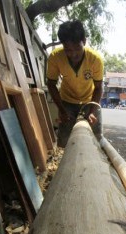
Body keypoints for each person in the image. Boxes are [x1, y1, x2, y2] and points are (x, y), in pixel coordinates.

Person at [46, 20, 104, 148]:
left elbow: (99, 88)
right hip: (67, 101)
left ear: (84, 41)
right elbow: (51, 84)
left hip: (90, 100)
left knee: (97, 137)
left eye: (77, 48)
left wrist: (93, 111)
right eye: (68, 50)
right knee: (64, 140)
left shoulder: (95, 59)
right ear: (63, 46)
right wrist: (61, 109)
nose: (73, 54)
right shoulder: (55, 57)